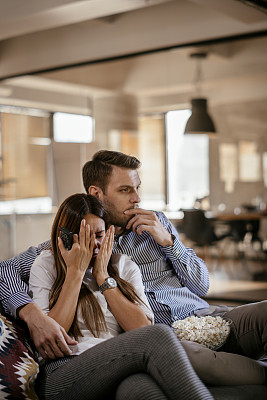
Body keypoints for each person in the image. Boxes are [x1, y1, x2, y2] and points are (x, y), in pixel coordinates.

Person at [0, 150, 266, 386]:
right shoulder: (74, 246)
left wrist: (169, 242)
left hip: (207, 316)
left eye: (137, 188)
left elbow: (202, 284)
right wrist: (33, 316)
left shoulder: (156, 223)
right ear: (96, 194)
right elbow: (4, 270)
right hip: (164, 339)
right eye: (125, 190)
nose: (137, 198)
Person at [29, 192, 213, 400]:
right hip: (63, 372)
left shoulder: (122, 265)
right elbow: (54, 340)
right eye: (85, 238)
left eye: (99, 236)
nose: (94, 245)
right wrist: (75, 273)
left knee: (140, 390)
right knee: (159, 334)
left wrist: (102, 277)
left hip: (116, 365)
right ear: (65, 237)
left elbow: (141, 328)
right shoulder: (46, 264)